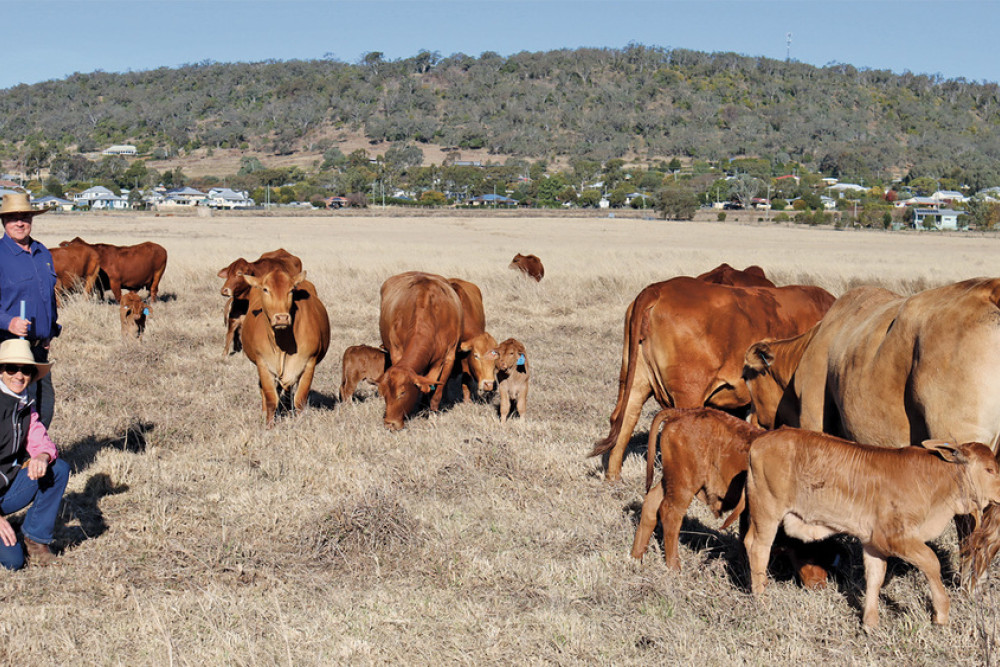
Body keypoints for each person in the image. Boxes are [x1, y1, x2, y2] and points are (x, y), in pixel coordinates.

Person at [0, 338, 69, 568]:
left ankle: (36, 539)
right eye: (12, 368)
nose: (19, 376)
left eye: (26, 370)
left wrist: (42, 457)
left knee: (57, 469)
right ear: (1, 371)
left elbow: (42, 442)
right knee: (14, 563)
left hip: (6, 490)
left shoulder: (25, 405)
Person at [0, 193, 59, 429]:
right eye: (13, 218)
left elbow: (48, 297)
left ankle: (34, 458)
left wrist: (51, 331)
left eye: (24, 217)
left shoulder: (42, 252)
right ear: (4, 222)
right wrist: (7, 322)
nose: (20, 223)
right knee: (15, 412)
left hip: (38, 350)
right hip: (9, 349)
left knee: (44, 407)